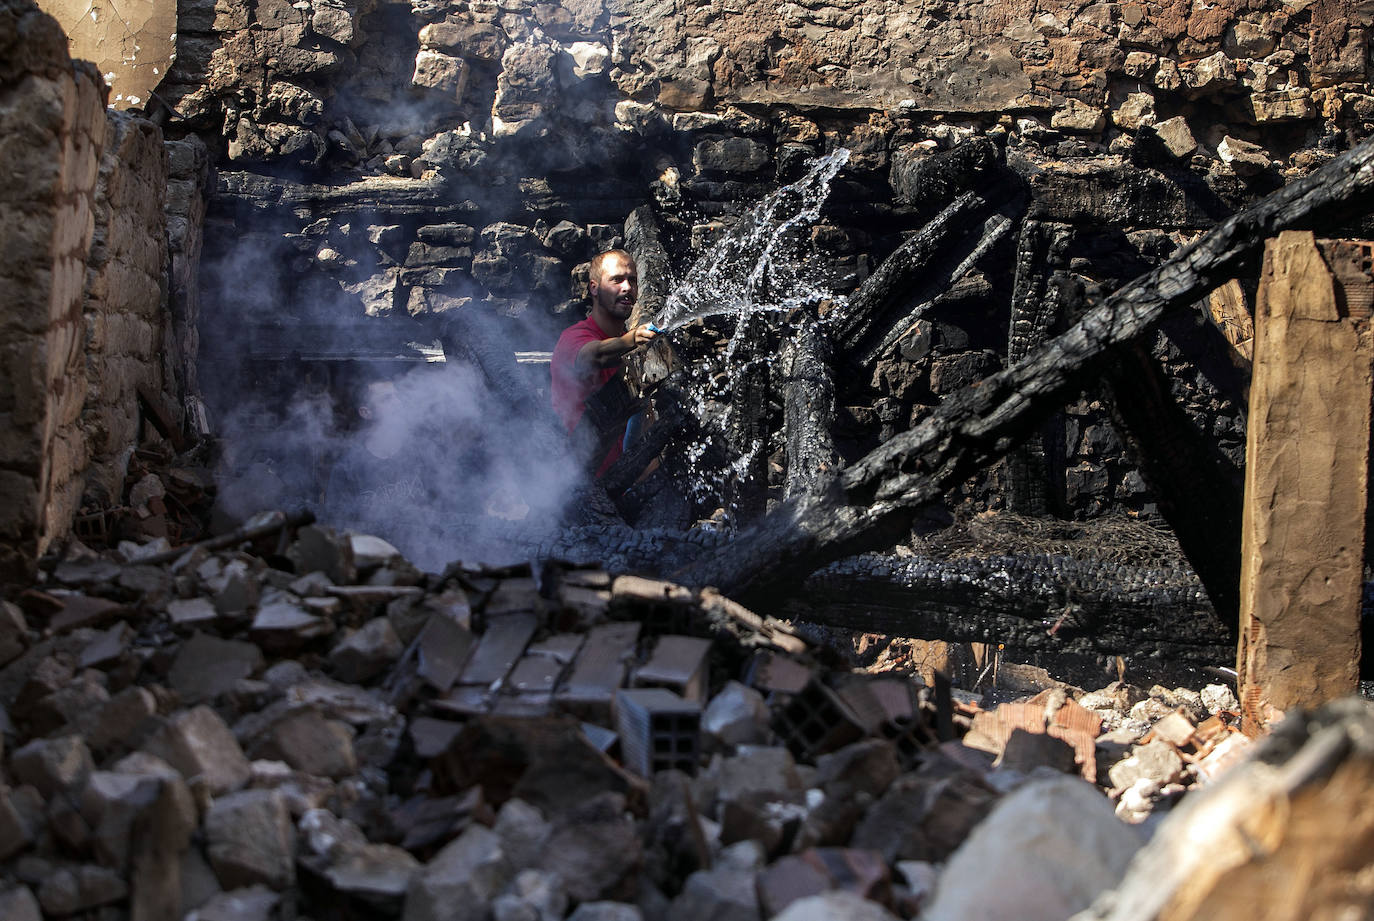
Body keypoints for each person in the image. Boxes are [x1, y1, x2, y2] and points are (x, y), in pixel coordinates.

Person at [550, 249, 657, 475]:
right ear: (594, 287)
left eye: (633, 281)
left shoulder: (634, 352)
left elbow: (644, 432)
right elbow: (593, 356)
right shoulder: (573, 337)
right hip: (568, 482)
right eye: (617, 280)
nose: (627, 287)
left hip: (615, 487)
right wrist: (631, 340)